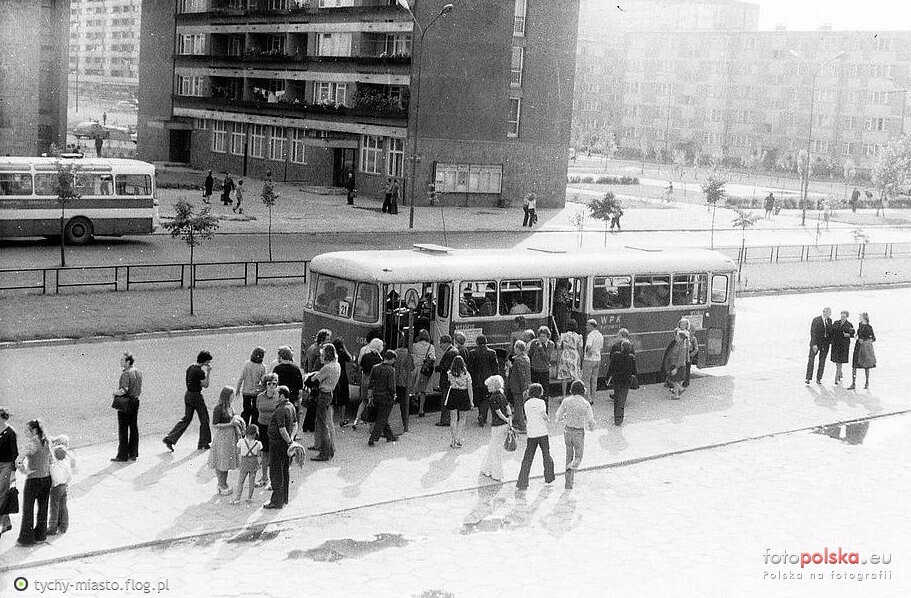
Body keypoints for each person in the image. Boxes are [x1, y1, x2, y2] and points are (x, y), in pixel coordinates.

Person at [163, 351, 213, 452]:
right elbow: (206, 384)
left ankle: (170, 438)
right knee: (204, 419)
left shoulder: (190, 368)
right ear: (205, 360)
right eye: (208, 361)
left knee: (186, 419)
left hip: (188, 395)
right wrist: (208, 372)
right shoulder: (200, 372)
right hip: (196, 396)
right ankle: (203, 443)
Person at [15, 420, 52, 546]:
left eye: (27, 430)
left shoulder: (31, 444)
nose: (25, 433)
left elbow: (18, 461)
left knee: (28, 509)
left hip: (33, 480)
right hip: (47, 478)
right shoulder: (47, 440)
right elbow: (51, 458)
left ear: (34, 430)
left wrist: (25, 471)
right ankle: (40, 536)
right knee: (43, 508)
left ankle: (26, 539)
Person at [555, 380, 595, 489]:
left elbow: (558, 414)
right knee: (578, 456)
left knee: (569, 455)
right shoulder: (585, 403)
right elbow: (590, 420)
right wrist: (592, 427)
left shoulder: (566, 401)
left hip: (567, 430)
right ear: (583, 391)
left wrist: (560, 419)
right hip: (578, 431)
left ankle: (568, 483)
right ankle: (571, 467)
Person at [263, 386, 297, 509]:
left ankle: (276, 501)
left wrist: (288, 440)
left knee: (276, 472)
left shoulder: (280, 410)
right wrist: (291, 439)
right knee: (285, 471)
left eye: (276, 394)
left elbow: (282, 429)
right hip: (285, 445)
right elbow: (295, 424)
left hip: (278, 444)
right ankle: (283, 499)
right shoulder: (291, 406)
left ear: (282, 396)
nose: (274, 395)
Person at [516, 384, 555, 490]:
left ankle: (522, 482)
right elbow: (543, 413)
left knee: (528, 458)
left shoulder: (526, 403)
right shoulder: (541, 402)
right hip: (542, 432)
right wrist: (548, 419)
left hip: (532, 433)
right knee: (546, 455)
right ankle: (549, 478)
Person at [209, 387, 245, 496]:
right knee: (222, 461)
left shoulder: (230, 407)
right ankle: (221, 484)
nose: (233, 398)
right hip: (223, 437)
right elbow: (214, 424)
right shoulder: (218, 408)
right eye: (231, 396)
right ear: (226, 396)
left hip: (230, 437)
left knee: (226, 461)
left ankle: (223, 483)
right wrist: (230, 424)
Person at [309, 343, 341, 461]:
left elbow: (314, 379)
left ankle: (325, 452)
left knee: (322, 424)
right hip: (330, 393)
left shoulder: (327, 367)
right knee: (324, 422)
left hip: (323, 394)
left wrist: (314, 375)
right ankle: (330, 449)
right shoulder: (336, 365)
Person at [479, 375, 512, 482]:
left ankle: (496, 473)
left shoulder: (493, 398)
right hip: (504, 425)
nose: (487, 387)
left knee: (495, 448)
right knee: (494, 447)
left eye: (489, 386)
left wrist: (506, 419)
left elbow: (498, 412)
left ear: (493, 386)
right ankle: (486, 468)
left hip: (497, 425)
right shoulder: (502, 395)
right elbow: (507, 407)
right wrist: (509, 418)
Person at [112, 352, 142, 462]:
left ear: (128, 362)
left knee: (123, 429)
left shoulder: (126, 373)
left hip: (126, 402)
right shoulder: (138, 372)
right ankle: (133, 453)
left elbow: (123, 390)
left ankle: (122, 455)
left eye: (122, 360)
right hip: (135, 401)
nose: (120, 362)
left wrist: (114, 393)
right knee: (133, 427)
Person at [255, 373, 281, 488]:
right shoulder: (260, 396)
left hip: (274, 428)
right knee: (264, 452)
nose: (271, 386)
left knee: (274, 453)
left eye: (274, 384)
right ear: (265, 385)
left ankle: (273, 479)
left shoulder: (279, 396)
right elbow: (257, 408)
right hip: (262, 426)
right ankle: (264, 477)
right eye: (269, 384)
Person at [367, 350, 399, 446]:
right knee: (382, 418)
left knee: (382, 417)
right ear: (392, 359)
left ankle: (390, 436)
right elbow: (391, 386)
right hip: (387, 397)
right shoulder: (391, 370)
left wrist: (370, 396)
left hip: (376, 396)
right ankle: (372, 439)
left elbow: (370, 384)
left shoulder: (375, 367)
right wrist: (394, 394)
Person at [303, 330, 332, 433]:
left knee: (311, 403)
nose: (329, 341)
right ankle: (311, 426)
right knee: (314, 404)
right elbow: (319, 366)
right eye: (327, 339)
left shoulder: (311, 348)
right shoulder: (319, 351)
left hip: (311, 375)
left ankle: (307, 425)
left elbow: (306, 363)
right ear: (322, 340)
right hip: (315, 378)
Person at [468, 335, 499, 427]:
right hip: (488, 379)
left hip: (476, 379)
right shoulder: (492, 352)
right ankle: (483, 415)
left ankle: (480, 414)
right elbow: (495, 368)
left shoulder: (472, 353)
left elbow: (470, 367)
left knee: (479, 398)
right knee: (486, 399)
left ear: (477, 342)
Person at [353, 338, 384, 430]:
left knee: (363, 401)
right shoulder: (379, 359)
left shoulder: (365, 356)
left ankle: (356, 420)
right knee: (372, 403)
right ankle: (372, 425)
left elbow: (361, 366)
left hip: (364, 379)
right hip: (373, 382)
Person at [606, 339, 637, 425]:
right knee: (622, 401)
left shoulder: (616, 355)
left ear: (622, 347)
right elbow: (634, 372)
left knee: (617, 399)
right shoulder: (632, 357)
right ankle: (619, 419)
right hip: (626, 382)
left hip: (617, 381)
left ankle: (616, 416)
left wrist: (607, 377)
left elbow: (611, 368)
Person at [273, 346, 304, 433]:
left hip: (280, 397)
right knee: (292, 416)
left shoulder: (277, 369)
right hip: (292, 397)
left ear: (281, 357)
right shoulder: (296, 368)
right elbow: (300, 386)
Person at [444, 355, 473, 448]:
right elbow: (470, 388)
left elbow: (450, 383)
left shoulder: (450, 373)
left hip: (453, 394)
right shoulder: (466, 374)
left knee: (453, 419)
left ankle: (453, 439)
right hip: (463, 395)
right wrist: (471, 400)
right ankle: (458, 438)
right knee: (462, 418)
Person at [47, 442, 74, 535]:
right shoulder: (66, 464)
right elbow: (69, 476)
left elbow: (54, 477)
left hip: (56, 487)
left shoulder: (54, 466)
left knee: (54, 508)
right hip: (64, 486)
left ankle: (52, 527)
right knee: (63, 506)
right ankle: (64, 526)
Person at [236, 347, 266, 427]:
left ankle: (244, 427)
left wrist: (238, 389)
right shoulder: (262, 367)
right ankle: (253, 428)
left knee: (246, 411)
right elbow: (263, 381)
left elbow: (241, 377)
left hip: (246, 392)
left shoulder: (247, 364)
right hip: (256, 392)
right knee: (255, 412)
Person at [233, 424, 262, 504]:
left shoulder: (241, 442)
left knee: (241, 481)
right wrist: (258, 464)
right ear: (255, 434)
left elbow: (238, 452)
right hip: (253, 463)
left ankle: (237, 498)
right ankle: (249, 497)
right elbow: (259, 455)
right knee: (251, 482)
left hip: (244, 462)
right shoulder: (258, 444)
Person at [0, 407, 18, 537]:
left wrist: (13, 472)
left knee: (1, 494)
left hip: (6, 465)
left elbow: (14, 454)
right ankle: (6, 522)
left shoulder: (11, 433)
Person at [435, 335, 460, 427]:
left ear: (445, 343)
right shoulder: (454, 350)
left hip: (447, 380)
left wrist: (435, 368)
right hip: (452, 380)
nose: (440, 346)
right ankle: (449, 419)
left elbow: (444, 367)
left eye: (441, 344)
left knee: (445, 400)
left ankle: (445, 420)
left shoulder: (450, 353)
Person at [528, 326, 554, 411]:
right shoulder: (533, 343)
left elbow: (546, 357)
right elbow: (530, 355)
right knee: (533, 391)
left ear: (547, 336)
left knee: (545, 392)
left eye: (544, 336)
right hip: (534, 369)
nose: (542, 338)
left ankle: (545, 410)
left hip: (544, 370)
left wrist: (540, 346)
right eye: (540, 336)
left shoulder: (551, 344)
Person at [411, 329, 436, 418]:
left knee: (415, 386)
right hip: (424, 370)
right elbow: (432, 358)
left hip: (416, 369)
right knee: (423, 390)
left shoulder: (414, 346)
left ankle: (414, 397)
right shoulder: (431, 347)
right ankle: (421, 410)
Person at [508, 339, 531, 434]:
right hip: (523, 386)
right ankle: (516, 421)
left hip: (517, 387)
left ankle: (522, 426)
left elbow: (521, 375)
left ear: (518, 348)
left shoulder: (518, 360)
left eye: (515, 348)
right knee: (519, 405)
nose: (514, 350)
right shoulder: (526, 358)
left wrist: (523, 389)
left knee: (518, 406)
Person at [849, 312, 876, 390]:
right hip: (858, 346)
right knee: (854, 364)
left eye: (860, 316)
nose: (859, 318)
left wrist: (864, 341)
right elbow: (857, 333)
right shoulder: (860, 324)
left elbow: (873, 338)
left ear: (864, 317)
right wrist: (855, 335)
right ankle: (853, 383)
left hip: (864, 348)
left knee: (866, 366)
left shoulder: (869, 327)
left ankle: (867, 383)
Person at [805, 307, 832, 385]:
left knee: (822, 361)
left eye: (829, 313)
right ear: (824, 312)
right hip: (816, 344)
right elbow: (813, 332)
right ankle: (808, 378)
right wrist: (814, 344)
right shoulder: (816, 320)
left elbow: (830, 332)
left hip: (825, 345)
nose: (828, 315)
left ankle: (819, 378)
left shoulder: (830, 321)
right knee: (811, 360)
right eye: (827, 313)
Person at [556, 320, 583, 398]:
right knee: (575, 376)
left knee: (564, 377)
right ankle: (576, 394)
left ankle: (564, 395)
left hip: (565, 355)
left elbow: (558, 347)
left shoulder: (563, 335)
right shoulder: (579, 336)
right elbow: (580, 348)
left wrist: (558, 357)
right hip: (574, 355)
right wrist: (580, 359)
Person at [393, 335, 414, 432]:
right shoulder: (408, 353)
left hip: (395, 379)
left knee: (396, 400)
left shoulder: (395, 352)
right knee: (404, 403)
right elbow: (412, 367)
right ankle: (404, 423)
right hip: (405, 380)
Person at [830, 310, 855, 385]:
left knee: (839, 362)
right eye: (841, 316)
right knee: (836, 361)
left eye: (844, 316)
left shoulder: (849, 325)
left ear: (847, 317)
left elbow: (853, 334)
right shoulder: (836, 322)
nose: (842, 318)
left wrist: (848, 335)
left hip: (843, 346)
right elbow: (831, 331)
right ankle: (840, 373)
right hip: (835, 345)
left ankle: (836, 377)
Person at [333, 338, 354, 426]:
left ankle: (331, 416)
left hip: (334, 376)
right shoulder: (342, 353)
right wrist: (344, 348)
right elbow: (350, 358)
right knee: (344, 398)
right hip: (342, 376)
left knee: (334, 397)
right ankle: (342, 418)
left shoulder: (332, 354)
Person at [662, 330, 689, 399]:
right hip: (675, 364)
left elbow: (681, 358)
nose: (676, 337)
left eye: (677, 337)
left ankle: (678, 392)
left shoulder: (682, 347)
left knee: (674, 380)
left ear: (681, 339)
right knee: (676, 380)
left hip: (678, 365)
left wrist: (676, 368)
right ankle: (678, 392)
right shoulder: (677, 344)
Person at [582, 320, 603, 403]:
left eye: (588, 325)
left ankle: (588, 398)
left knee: (586, 379)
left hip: (589, 359)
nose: (586, 327)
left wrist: (587, 353)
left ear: (592, 326)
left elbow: (589, 345)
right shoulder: (600, 335)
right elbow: (601, 347)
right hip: (598, 359)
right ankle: (593, 397)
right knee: (594, 379)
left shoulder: (590, 335)